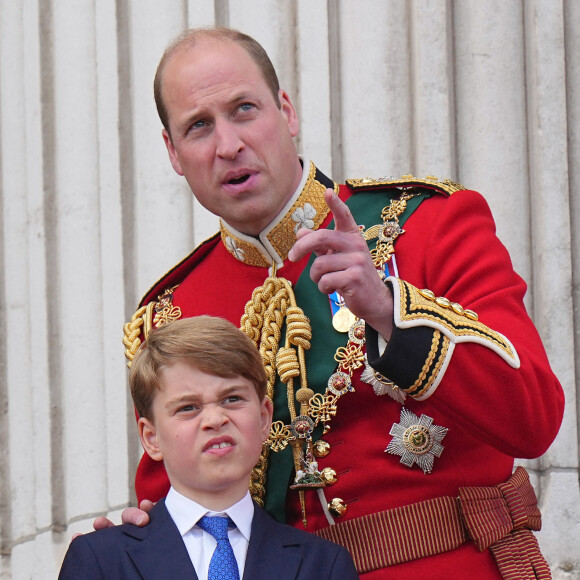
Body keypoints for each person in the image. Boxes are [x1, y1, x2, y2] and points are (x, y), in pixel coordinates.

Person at [114, 27, 564, 578]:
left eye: (244, 110)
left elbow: (535, 417)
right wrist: (140, 543)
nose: (228, 144)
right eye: (199, 126)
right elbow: (177, 514)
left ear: (286, 111)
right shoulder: (172, 312)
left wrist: (388, 311)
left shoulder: (427, 224)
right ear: (173, 152)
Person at [61, 316, 358, 579]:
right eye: (188, 407)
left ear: (265, 417)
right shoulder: (101, 561)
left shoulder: (322, 565)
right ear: (151, 438)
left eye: (232, 399)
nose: (216, 419)